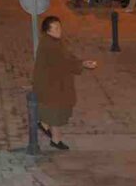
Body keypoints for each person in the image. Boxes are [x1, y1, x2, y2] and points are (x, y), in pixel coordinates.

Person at [33, 16, 98, 150]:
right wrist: (82, 64)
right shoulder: (50, 45)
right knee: (55, 112)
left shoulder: (54, 41)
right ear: (48, 31)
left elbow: (67, 57)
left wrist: (82, 62)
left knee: (52, 111)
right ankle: (56, 140)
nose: (59, 30)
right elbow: (62, 63)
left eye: (59, 27)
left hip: (54, 83)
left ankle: (44, 124)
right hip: (52, 85)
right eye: (55, 28)